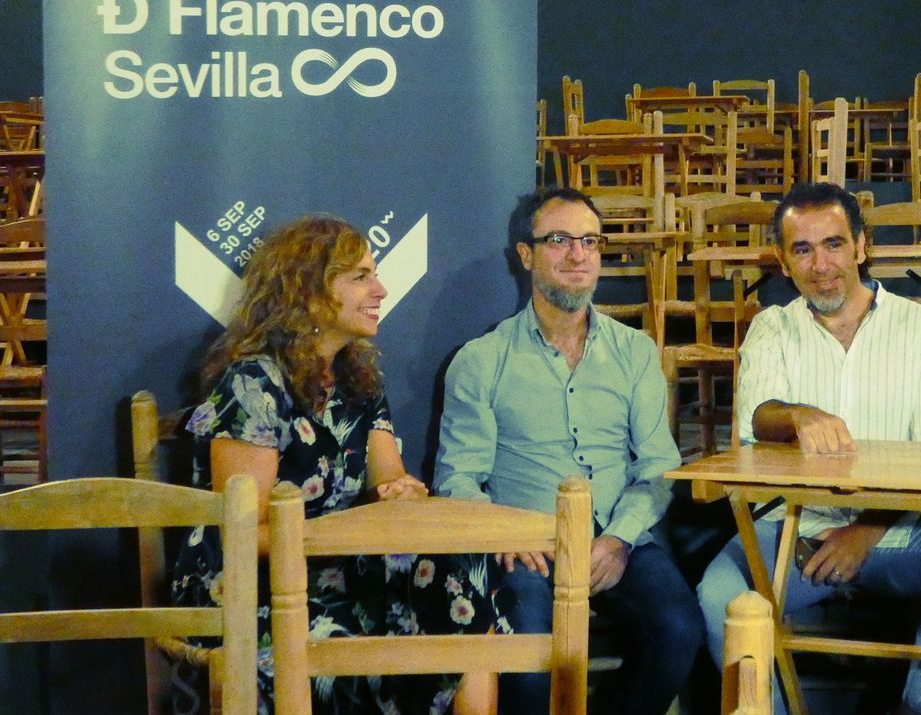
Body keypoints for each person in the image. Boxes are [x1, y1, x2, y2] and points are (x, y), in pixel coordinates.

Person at [170, 215, 503, 715]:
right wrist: (341, 531)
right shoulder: (253, 385)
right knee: (342, 648)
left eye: (376, 274)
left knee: (463, 581)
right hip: (247, 587)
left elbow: (390, 479)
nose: (382, 289)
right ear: (306, 291)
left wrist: (401, 493)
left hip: (340, 571)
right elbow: (242, 533)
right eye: (361, 277)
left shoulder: (358, 380)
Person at [696, 181, 921, 715]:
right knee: (718, 594)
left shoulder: (919, 327)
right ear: (784, 263)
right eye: (802, 250)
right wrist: (795, 414)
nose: (821, 265)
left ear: (862, 246)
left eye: (833, 244)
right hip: (793, 528)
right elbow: (754, 422)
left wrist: (866, 530)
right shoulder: (772, 328)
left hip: (899, 529)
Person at [434, 187, 700, 715]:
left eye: (590, 241)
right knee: (530, 664)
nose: (578, 255)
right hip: (526, 547)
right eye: (559, 240)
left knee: (679, 631)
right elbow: (457, 479)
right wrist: (503, 535)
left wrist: (621, 539)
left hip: (616, 537)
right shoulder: (481, 361)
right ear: (526, 255)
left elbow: (659, 464)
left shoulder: (635, 352)